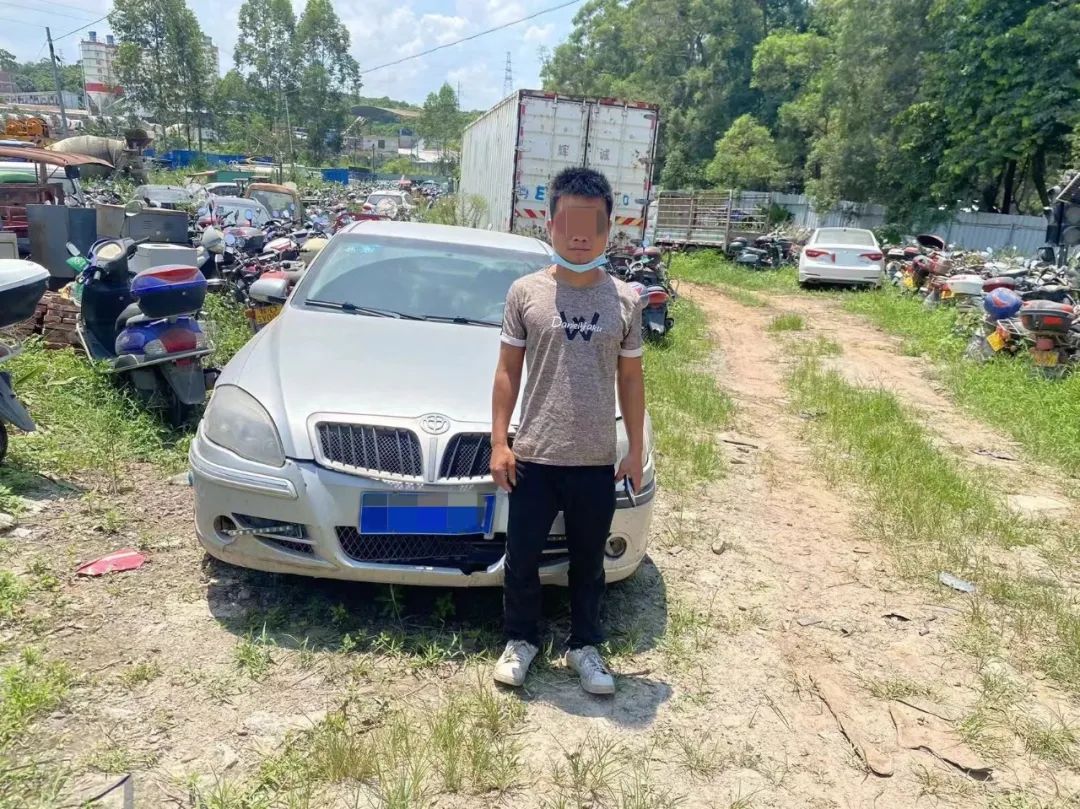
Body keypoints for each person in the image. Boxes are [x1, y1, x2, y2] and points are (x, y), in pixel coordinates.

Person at [489, 167, 646, 695]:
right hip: (534, 455)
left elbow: (631, 378)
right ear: (551, 225)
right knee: (523, 558)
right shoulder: (525, 293)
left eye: (592, 225)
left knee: (588, 562)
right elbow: (507, 372)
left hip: (595, 459)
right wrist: (499, 442)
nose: (580, 237)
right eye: (569, 224)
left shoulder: (625, 300)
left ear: (608, 230)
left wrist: (634, 449)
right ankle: (521, 641)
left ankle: (585, 646)